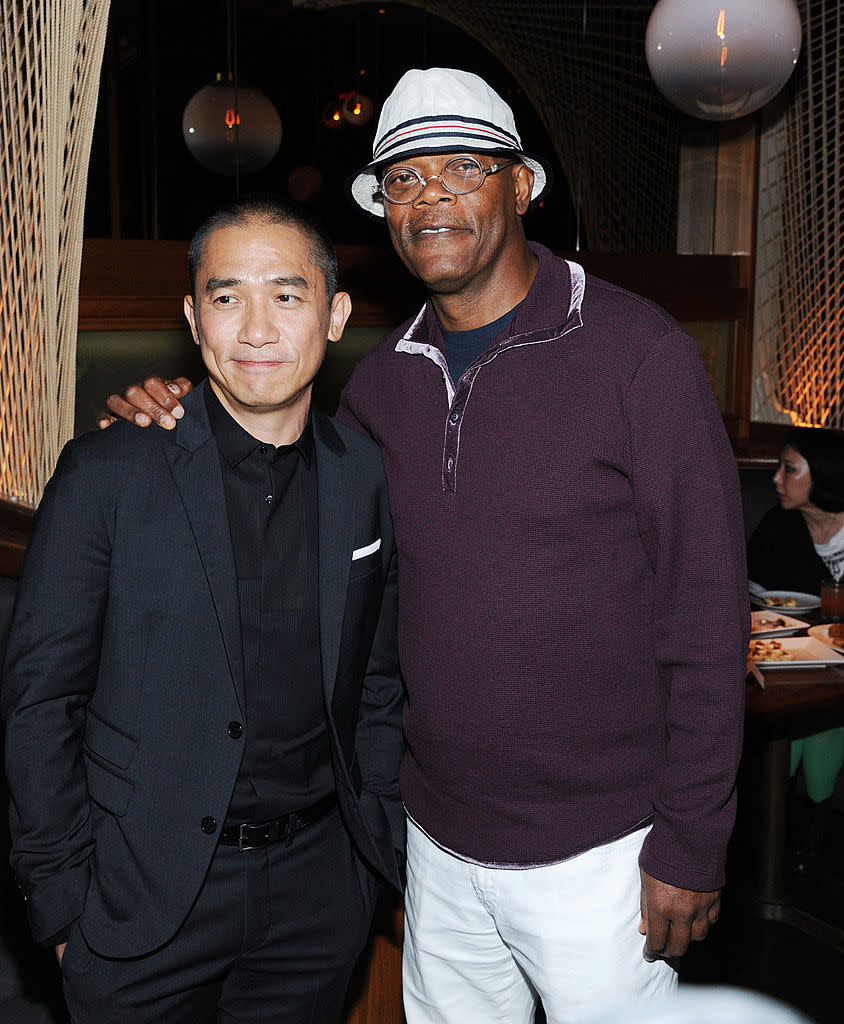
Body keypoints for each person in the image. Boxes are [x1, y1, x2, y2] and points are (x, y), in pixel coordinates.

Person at [102, 68, 749, 1024]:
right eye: (405, 177)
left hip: (603, 853)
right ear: (383, 208)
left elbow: (706, 612)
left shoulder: (638, 355)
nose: (431, 195)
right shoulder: (378, 390)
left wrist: (693, 839)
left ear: (521, 186)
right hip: (433, 845)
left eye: (463, 167)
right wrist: (177, 412)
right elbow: (281, 479)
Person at [2, 194, 405, 1024]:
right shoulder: (107, 475)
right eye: (227, 297)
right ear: (193, 317)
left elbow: (376, 684)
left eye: (286, 296)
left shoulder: (365, 474)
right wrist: (63, 906)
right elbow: (40, 704)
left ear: (334, 316)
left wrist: (376, 857)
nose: (256, 328)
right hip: (137, 897)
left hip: (318, 893)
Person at [748, 426, 844, 870]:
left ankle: (809, 827)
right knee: (804, 712)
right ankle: (789, 830)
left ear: (821, 475)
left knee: (820, 714)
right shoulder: (777, 526)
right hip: (786, 655)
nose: (776, 479)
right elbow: (749, 592)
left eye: (790, 469)